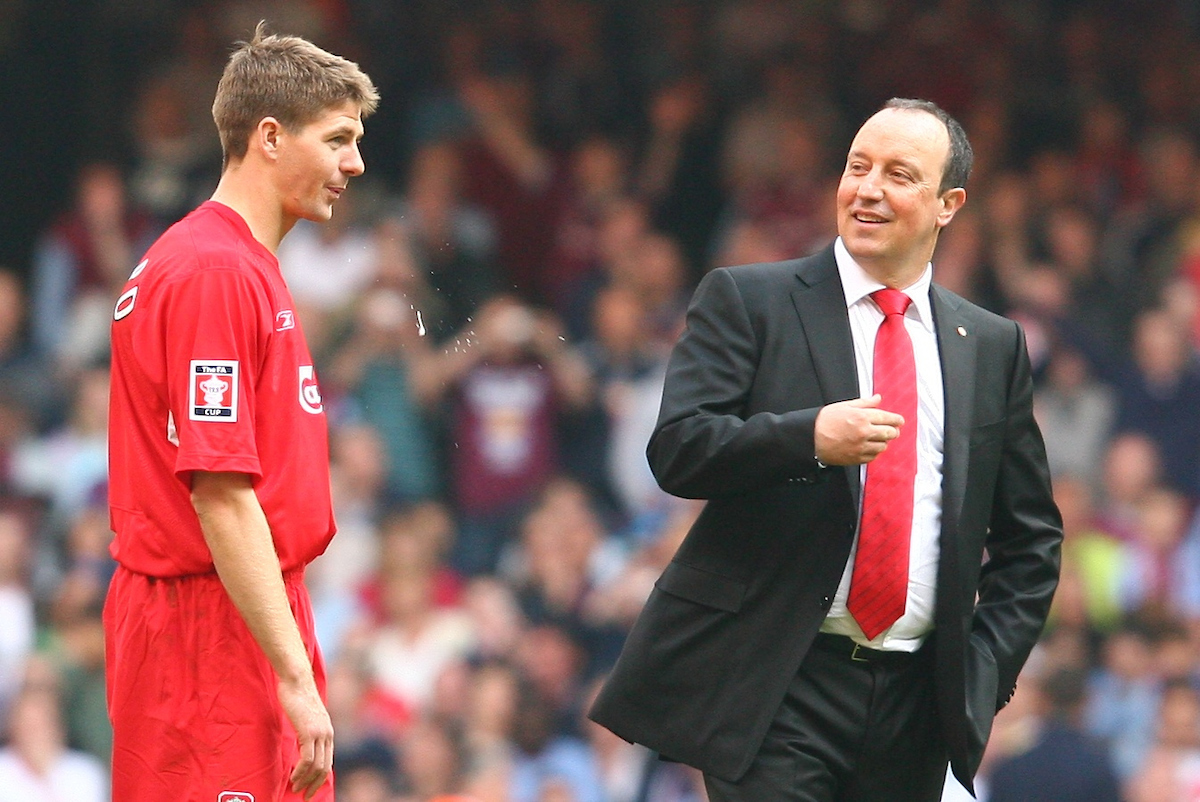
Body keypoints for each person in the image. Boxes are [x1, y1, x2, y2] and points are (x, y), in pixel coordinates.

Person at [589, 98, 1063, 801]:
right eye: (857, 166)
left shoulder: (991, 345)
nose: (867, 188)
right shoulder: (750, 299)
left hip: (917, 702)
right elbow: (679, 448)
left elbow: (1031, 541)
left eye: (899, 174)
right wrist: (808, 437)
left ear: (948, 204)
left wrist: (980, 670)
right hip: (776, 684)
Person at [103, 23, 378, 802]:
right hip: (205, 628)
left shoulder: (229, 262)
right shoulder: (215, 272)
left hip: (233, 608)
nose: (353, 163)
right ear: (268, 136)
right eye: (338, 139)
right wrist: (292, 675)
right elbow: (219, 489)